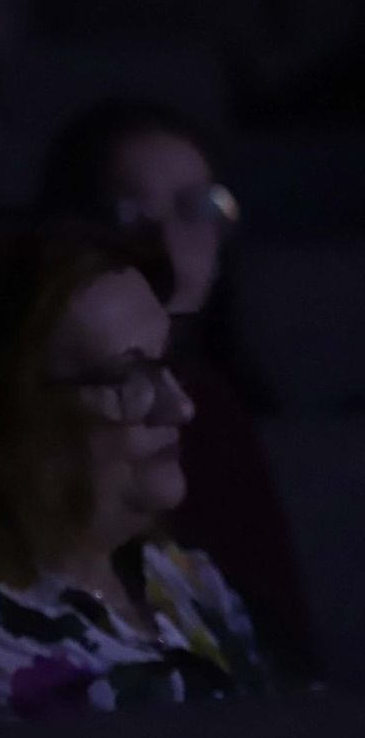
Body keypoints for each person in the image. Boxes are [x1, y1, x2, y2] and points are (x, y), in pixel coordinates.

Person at [0, 230, 269, 727]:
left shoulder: (184, 577)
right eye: (128, 378)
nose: (179, 406)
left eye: (168, 364)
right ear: (5, 412)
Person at [40, 100, 316, 678]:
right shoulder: (61, 403)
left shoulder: (219, 407)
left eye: (197, 208)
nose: (165, 238)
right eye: (128, 211)